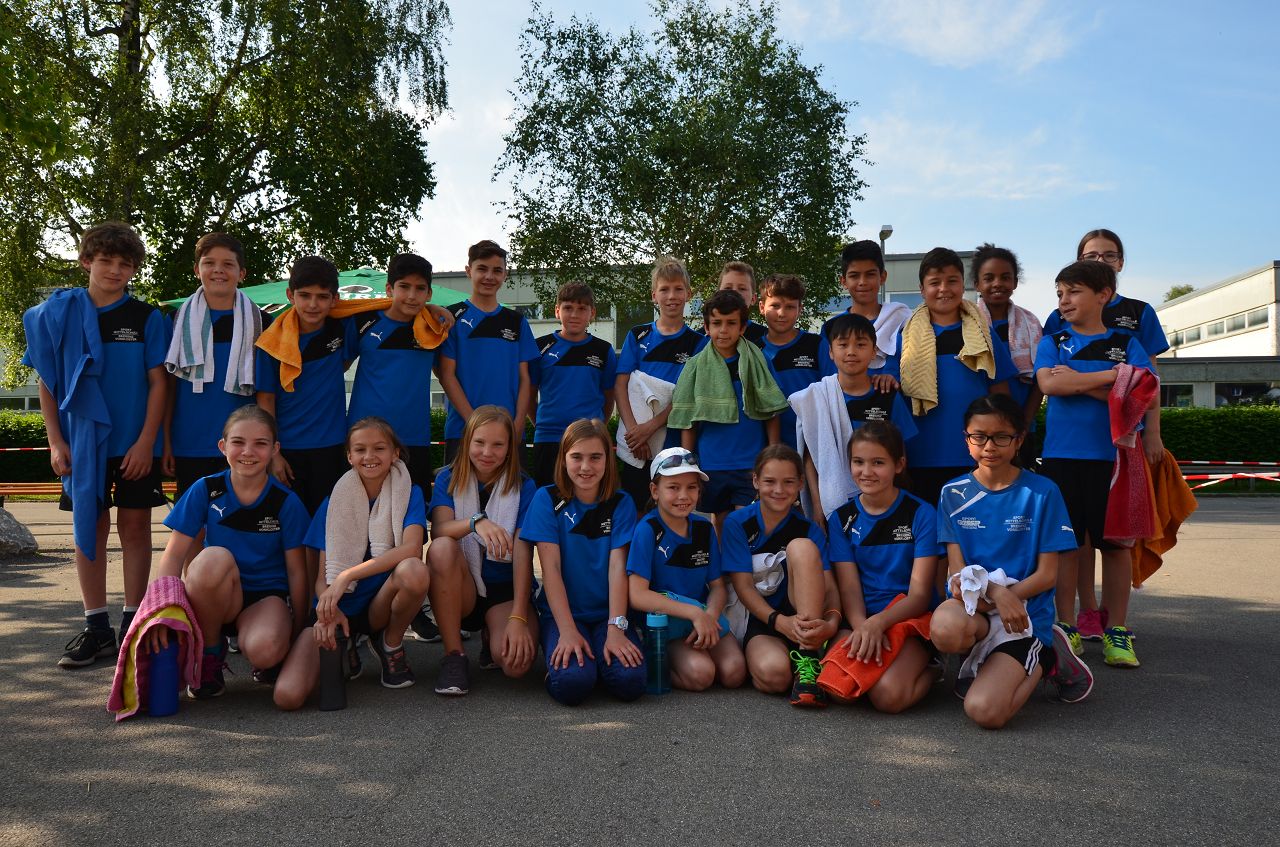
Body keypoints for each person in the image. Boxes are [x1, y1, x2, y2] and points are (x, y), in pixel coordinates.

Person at [23, 221, 170, 668]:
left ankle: (132, 623)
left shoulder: (146, 317)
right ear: (86, 261)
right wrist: (55, 441)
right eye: (106, 260)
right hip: (81, 444)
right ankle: (96, 627)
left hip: (133, 444)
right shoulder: (57, 315)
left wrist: (147, 441)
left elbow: (159, 383)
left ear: (134, 270)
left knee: (135, 528)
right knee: (89, 529)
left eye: (125, 264)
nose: (115, 270)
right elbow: (49, 382)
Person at [928, 395, 1093, 729]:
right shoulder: (952, 493)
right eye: (979, 436)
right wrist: (996, 594)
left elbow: (1048, 575)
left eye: (1001, 437)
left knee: (985, 712)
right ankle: (981, 660)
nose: (989, 446)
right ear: (966, 439)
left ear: (1018, 440)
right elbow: (956, 575)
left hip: (1023, 616)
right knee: (944, 629)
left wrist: (1007, 598)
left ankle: (1047, 657)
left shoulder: (1043, 492)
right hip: (978, 606)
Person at [1044, 229, 1169, 644]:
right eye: (1060, 293)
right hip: (1061, 456)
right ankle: (1069, 624)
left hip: (1115, 456)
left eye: (1073, 292)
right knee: (1067, 545)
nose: (1064, 300)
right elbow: (1050, 384)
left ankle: (1117, 630)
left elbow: (1145, 391)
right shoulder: (1054, 338)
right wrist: (1112, 380)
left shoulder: (1128, 337)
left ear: (1104, 295)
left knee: (1115, 546)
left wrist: (1081, 381)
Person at [146, 406, 311, 699]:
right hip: (217, 594)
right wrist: (160, 611)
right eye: (238, 442)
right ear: (223, 446)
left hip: (265, 598)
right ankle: (209, 652)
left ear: (275, 449)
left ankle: (267, 650)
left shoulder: (286, 501)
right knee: (211, 558)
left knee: (266, 650)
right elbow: (173, 555)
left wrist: (297, 632)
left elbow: (298, 571)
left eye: (260, 443)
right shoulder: (205, 489)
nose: (248, 451)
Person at [273, 417, 431, 707]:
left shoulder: (410, 493)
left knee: (415, 571)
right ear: (349, 456)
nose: (369, 456)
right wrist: (328, 611)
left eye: (379, 448)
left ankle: (390, 643)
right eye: (360, 449)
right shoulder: (334, 501)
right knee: (288, 696)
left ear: (395, 453)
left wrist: (348, 576)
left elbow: (411, 549)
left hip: (379, 605)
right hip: (338, 605)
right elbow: (321, 578)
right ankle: (347, 647)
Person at [522, 419, 644, 706]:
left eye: (595, 457)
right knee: (572, 684)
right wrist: (566, 631)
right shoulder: (546, 498)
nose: (586, 467)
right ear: (563, 459)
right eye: (576, 457)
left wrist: (616, 628)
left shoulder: (621, 502)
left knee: (631, 682)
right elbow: (550, 570)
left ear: (608, 460)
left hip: (606, 614)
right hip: (563, 615)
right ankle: (569, 669)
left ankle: (598, 661)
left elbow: (618, 568)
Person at [821, 422, 941, 713]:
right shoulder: (841, 519)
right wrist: (863, 627)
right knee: (839, 691)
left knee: (887, 697)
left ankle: (934, 667)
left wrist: (879, 623)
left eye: (878, 463)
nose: (866, 471)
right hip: (862, 618)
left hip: (908, 618)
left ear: (899, 465)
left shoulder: (921, 513)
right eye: (858, 462)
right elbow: (850, 588)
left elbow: (920, 596)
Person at [425, 405, 539, 695]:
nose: (487, 452)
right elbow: (439, 530)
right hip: (463, 586)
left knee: (515, 665)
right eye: (480, 442)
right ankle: (454, 655)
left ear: (510, 448)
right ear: (467, 442)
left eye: (498, 444)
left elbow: (523, 552)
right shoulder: (447, 478)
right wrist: (476, 522)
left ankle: (492, 635)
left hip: (503, 587)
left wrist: (518, 616)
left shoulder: (525, 486)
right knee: (441, 548)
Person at [721, 445, 840, 707]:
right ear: (755, 481)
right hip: (764, 618)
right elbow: (743, 586)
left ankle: (808, 656)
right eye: (769, 481)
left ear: (800, 484)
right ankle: (781, 661)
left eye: (788, 482)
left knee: (802, 547)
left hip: (804, 616)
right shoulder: (737, 523)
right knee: (774, 677)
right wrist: (778, 622)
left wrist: (831, 624)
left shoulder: (808, 529)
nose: (779, 490)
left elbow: (830, 588)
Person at [897, 247, 1016, 506]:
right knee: (928, 528)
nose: (944, 289)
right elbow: (895, 400)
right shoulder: (905, 339)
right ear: (922, 289)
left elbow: (1000, 392)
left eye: (952, 281)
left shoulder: (983, 334)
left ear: (963, 285)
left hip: (976, 455)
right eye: (935, 283)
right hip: (920, 456)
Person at [627, 447, 746, 691]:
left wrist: (709, 616)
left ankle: (696, 652)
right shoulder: (647, 530)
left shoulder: (704, 528)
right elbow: (637, 595)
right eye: (673, 487)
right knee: (702, 675)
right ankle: (654, 664)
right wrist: (694, 614)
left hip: (701, 617)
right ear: (655, 491)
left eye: (691, 487)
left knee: (734, 673)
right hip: (666, 625)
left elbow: (717, 586)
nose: (683, 495)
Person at [164, 232, 272, 497]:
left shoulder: (263, 323)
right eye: (209, 263)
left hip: (247, 448)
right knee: (193, 520)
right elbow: (167, 389)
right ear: (197, 270)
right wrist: (164, 440)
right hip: (189, 443)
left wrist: (270, 445)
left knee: (244, 518)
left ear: (241, 273)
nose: (218, 270)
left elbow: (268, 393)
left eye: (228, 264)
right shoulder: (175, 322)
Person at [669, 289, 786, 528]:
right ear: (706, 327)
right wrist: (687, 462)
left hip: (751, 462)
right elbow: (688, 420)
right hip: (712, 463)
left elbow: (771, 409)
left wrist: (773, 452)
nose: (723, 330)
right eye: (717, 323)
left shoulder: (758, 361)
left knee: (748, 524)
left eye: (731, 323)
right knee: (721, 524)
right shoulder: (695, 366)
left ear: (742, 327)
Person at [792, 313, 917, 528]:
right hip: (835, 505)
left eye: (860, 344)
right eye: (843, 345)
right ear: (831, 352)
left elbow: (901, 452)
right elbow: (811, 458)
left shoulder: (887, 395)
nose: (851, 351)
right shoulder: (818, 397)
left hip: (884, 502)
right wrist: (818, 506)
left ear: (874, 351)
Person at [254, 255, 357, 516]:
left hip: (333, 447)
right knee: (289, 526)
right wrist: (273, 454)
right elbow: (265, 401)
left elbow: (385, 307)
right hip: (287, 449)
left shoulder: (341, 328)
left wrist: (435, 309)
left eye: (322, 297)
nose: (313, 304)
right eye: (305, 295)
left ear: (334, 299)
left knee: (328, 525)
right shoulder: (271, 343)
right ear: (290, 295)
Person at [346, 252, 450, 494]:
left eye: (420, 288)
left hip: (414, 438)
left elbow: (447, 377)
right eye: (404, 286)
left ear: (429, 293)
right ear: (389, 289)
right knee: (358, 511)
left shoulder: (435, 327)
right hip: (365, 440)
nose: (412, 295)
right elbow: (335, 368)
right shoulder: (361, 322)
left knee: (413, 512)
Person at [615, 256, 707, 508]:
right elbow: (622, 386)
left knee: (673, 510)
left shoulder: (699, 343)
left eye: (678, 289)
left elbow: (688, 396)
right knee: (636, 511)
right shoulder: (637, 335)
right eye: (664, 289)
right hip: (638, 444)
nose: (671, 296)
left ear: (688, 294)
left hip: (674, 442)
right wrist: (635, 433)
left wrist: (650, 427)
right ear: (654, 296)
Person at [437, 240, 539, 464]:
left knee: (513, 489)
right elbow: (446, 375)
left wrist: (518, 423)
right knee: (458, 489)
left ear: (505, 275)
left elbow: (525, 378)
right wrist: (473, 422)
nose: (489, 277)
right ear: (468, 271)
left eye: (497, 271)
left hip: (509, 432)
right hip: (463, 430)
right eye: (482, 269)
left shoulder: (516, 321)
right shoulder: (452, 317)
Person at [530, 282, 617, 487]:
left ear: (592, 313)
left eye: (582, 308)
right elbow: (528, 395)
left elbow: (609, 398)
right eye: (568, 308)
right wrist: (542, 424)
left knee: (589, 498)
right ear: (557, 311)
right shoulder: (540, 347)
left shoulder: (603, 350)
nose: (574, 315)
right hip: (549, 438)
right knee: (549, 498)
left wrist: (594, 429)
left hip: (589, 440)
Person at [971, 243, 1042, 468]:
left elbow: (1040, 379)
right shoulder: (968, 326)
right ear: (976, 284)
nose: (997, 283)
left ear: (1015, 282)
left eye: (1005, 277)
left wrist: (1024, 422)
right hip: (981, 429)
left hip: (1022, 426)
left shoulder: (1031, 325)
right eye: (989, 278)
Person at [819, 240, 911, 382]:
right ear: (843, 281)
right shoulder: (831, 328)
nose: (862, 282)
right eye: (854, 276)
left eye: (870, 274)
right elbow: (828, 379)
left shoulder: (902, 322)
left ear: (883, 277)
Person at [759, 273, 823, 451]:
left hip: (813, 444)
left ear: (800, 309)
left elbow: (833, 392)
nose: (781, 313)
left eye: (789, 307)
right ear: (762, 307)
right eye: (775, 306)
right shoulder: (752, 350)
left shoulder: (816, 345)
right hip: (765, 447)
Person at [708, 261, 768, 346]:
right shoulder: (700, 340)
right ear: (717, 295)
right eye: (728, 288)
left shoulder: (766, 339)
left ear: (753, 298)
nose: (734, 292)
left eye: (742, 288)